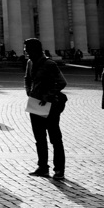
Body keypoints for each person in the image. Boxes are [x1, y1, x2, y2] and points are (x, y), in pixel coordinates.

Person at [24, 37, 67, 179]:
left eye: (27, 49)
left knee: (55, 138)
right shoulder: (30, 63)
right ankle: (43, 167)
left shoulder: (49, 63)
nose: (25, 52)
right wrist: (29, 92)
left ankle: (59, 169)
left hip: (50, 105)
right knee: (39, 138)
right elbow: (27, 79)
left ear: (34, 50)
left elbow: (61, 82)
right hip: (35, 104)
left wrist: (47, 95)